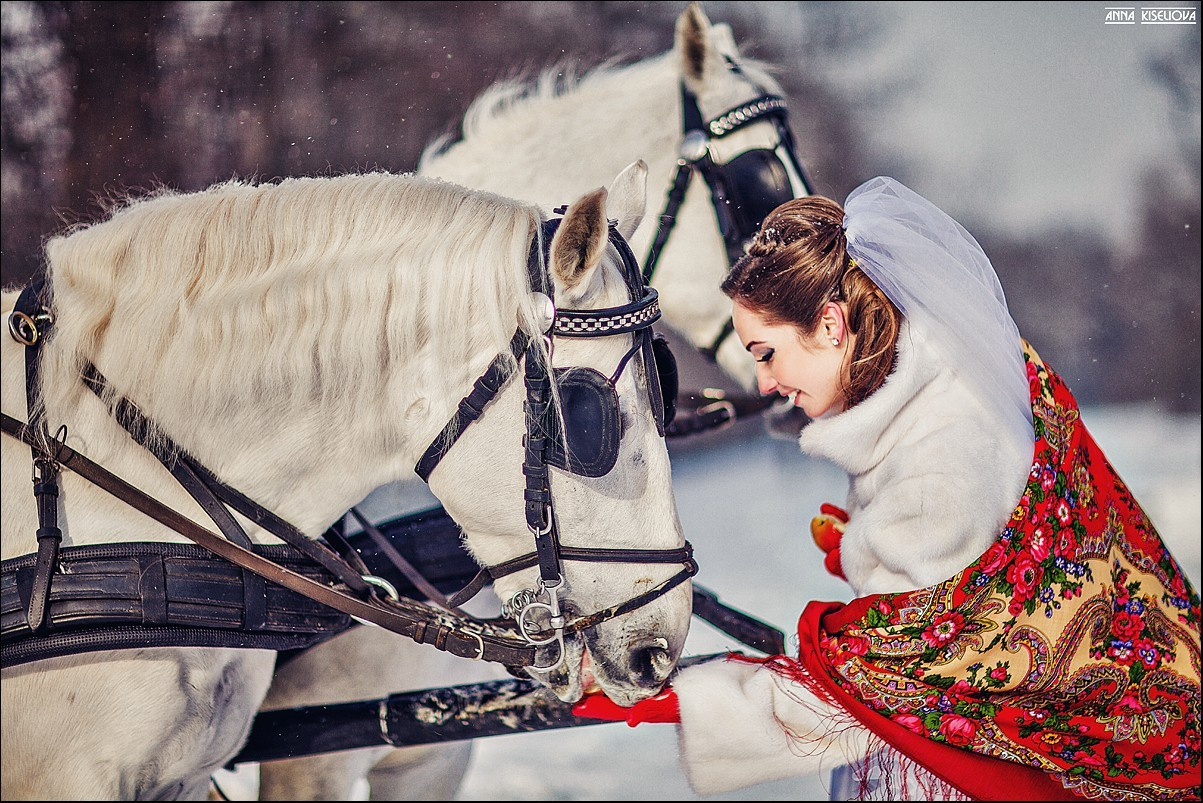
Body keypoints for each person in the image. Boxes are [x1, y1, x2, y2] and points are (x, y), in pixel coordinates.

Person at [572, 177, 1201, 801]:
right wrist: (868, 543)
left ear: (830, 325)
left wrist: (688, 704)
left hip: (954, 777)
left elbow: (882, 689)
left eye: (767, 353)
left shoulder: (936, 467)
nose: (762, 383)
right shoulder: (937, 398)